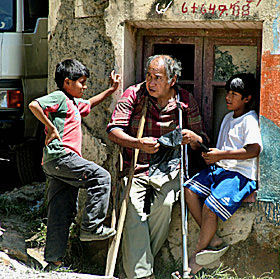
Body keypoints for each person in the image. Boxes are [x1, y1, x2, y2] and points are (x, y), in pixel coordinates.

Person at [107, 55, 208, 279]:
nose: (151, 82)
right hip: (137, 165)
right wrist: (137, 143)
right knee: (133, 208)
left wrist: (192, 137)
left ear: (172, 81)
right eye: (149, 76)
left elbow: (202, 141)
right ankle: (143, 275)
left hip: (169, 169)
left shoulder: (185, 101)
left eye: (158, 78)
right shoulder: (134, 94)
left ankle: (137, 265)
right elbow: (113, 129)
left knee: (164, 207)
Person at [29, 59, 121, 271]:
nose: (85, 86)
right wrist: (51, 128)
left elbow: (90, 103)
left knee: (61, 210)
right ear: (67, 82)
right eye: (81, 82)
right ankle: (91, 226)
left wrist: (111, 90)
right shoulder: (60, 97)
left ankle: (54, 261)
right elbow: (35, 105)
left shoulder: (73, 103)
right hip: (62, 157)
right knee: (101, 177)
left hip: (57, 165)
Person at [184, 73, 262, 277]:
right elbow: (222, 149)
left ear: (247, 98)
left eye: (234, 94)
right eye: (228, 93)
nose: (228, 97)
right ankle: (213, 238)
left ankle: (196, 259)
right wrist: (212, 154)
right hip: (221, 170)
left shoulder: (250, 120)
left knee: (210, 206)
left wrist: (220, 155)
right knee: (189, 189)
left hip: (240, 174)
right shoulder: (229, 117)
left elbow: (253, 150)